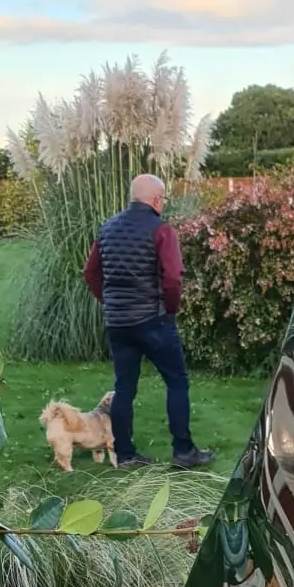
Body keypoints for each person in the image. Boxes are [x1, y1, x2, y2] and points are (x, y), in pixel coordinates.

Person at [83, 173, 214, 470]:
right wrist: (171, 309)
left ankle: (126, 455)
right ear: (156, 200)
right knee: (176, 381)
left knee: (124, 388)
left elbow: (90, 273)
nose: (163, 204)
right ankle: (184, 452)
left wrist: (110, 301)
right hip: (153, 320)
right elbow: (173, 278)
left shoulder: (106, 228)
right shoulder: (161, 230)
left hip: (118, 323)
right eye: (163, 199)